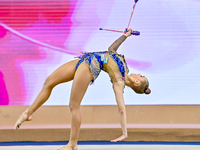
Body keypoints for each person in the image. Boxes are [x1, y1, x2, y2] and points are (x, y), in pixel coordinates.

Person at [14, 29, 151, 150]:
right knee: (49, 81)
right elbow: (111, 49)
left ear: (137, 81)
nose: (139, 73)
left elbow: (121, 109)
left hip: (90, 67)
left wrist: (124, 133)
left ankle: (72, 144)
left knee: (74, 106)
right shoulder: (124, 66)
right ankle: (28, 112)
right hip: (85, 59)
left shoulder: (119, 83)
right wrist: (125, 36)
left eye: (141, 75)